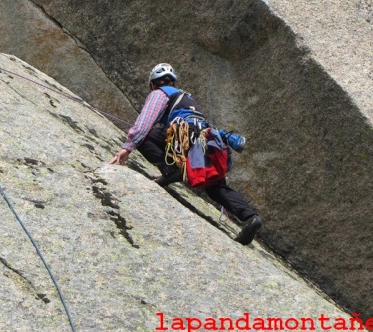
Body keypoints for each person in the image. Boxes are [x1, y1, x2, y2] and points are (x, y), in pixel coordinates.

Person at [109, 63, 263, 245]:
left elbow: (144, 123)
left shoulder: (160, 93)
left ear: (152, 84)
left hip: (185, 137)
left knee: (146, 134)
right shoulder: (187, 98)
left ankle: (170, 169)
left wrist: (127, 147)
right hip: (207, 143)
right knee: (215, 187)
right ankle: (251, 218)